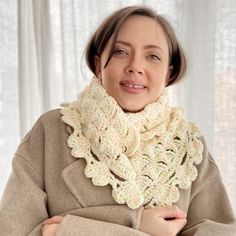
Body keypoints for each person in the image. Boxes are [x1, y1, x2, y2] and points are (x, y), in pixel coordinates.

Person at [0, 5, 235, 236]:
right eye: (120, 52)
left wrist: (69, 230)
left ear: (169, 73)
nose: (135, 66)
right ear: (97, 64)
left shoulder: (189, 145)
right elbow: (13, 230)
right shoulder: (50, 131)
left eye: (153, 56)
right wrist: (137, 223)